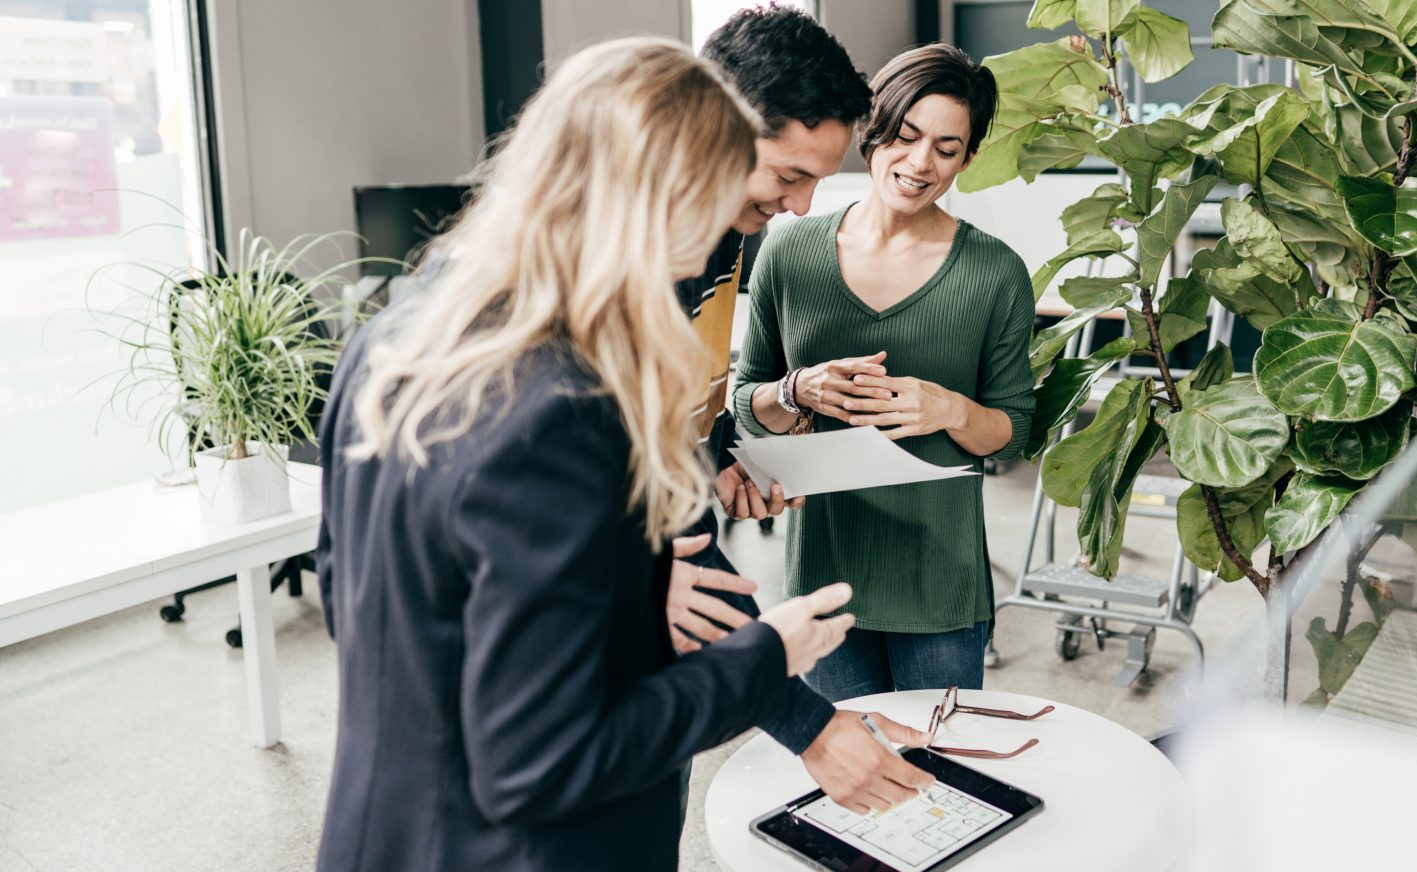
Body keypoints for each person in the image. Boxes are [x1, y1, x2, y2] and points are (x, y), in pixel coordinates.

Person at [312, 39, 856, 871]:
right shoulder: (565, 411)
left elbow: (359, 594)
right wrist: (766, 656)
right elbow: (542, 764)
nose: (712, 240)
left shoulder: (391, 340)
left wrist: (616, 582)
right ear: (657, 198)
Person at [664, 5, 938, 815]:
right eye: (788, 176)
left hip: (671, 594)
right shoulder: (620, 279)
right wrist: (808, 724)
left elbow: (689, 409)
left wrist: (721, 463)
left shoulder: (723, 238)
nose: (803, 207)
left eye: (816, 178)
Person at [730, 43, 1036, 701]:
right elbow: (743, 399)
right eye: (905, 135)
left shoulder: (994, 273)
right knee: (837, 787)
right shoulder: (788, 250)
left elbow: (1013, 432)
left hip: (941, 589)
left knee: (941, 779)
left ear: (968, 159)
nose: (921, 162)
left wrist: (949, 410)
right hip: (823, 578)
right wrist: (796, 388)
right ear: (872, 130)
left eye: (947, 149)